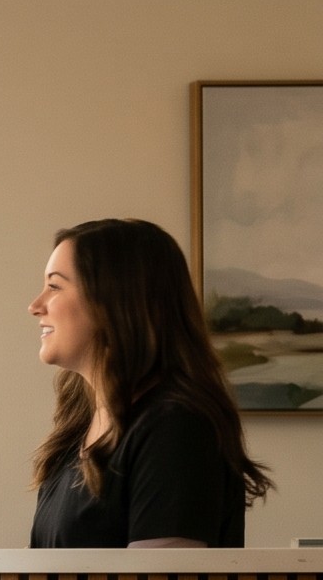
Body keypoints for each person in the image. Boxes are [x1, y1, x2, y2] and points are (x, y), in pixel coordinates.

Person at [28, 217, 269, 547]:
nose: (35, 306)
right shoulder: (74, 435)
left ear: (114, 300)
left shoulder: (176, 429)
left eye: (54, 286)